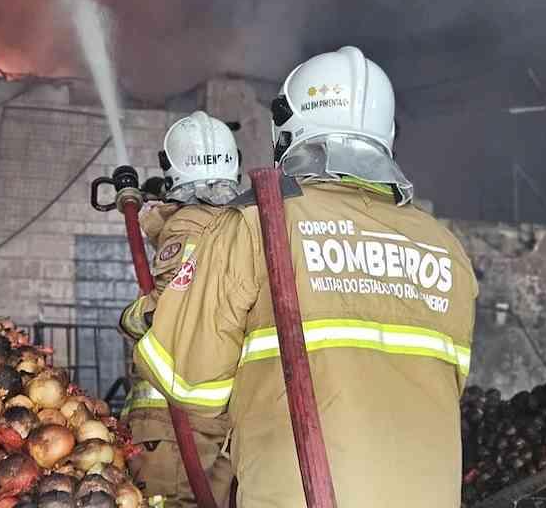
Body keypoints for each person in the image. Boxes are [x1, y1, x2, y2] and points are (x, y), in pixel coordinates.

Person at [134, 47, 478, 507]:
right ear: (387, 135)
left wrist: (149, 314)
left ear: (287, 132)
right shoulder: (447, 249)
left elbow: (186, 380)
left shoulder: (256, 225)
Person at [119, 111, 239, 507]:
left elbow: (166, 314)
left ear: (173, 172)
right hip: (220, 414)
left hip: (173, 419)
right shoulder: (240, 224)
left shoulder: (187, 225)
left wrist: (128, 317)